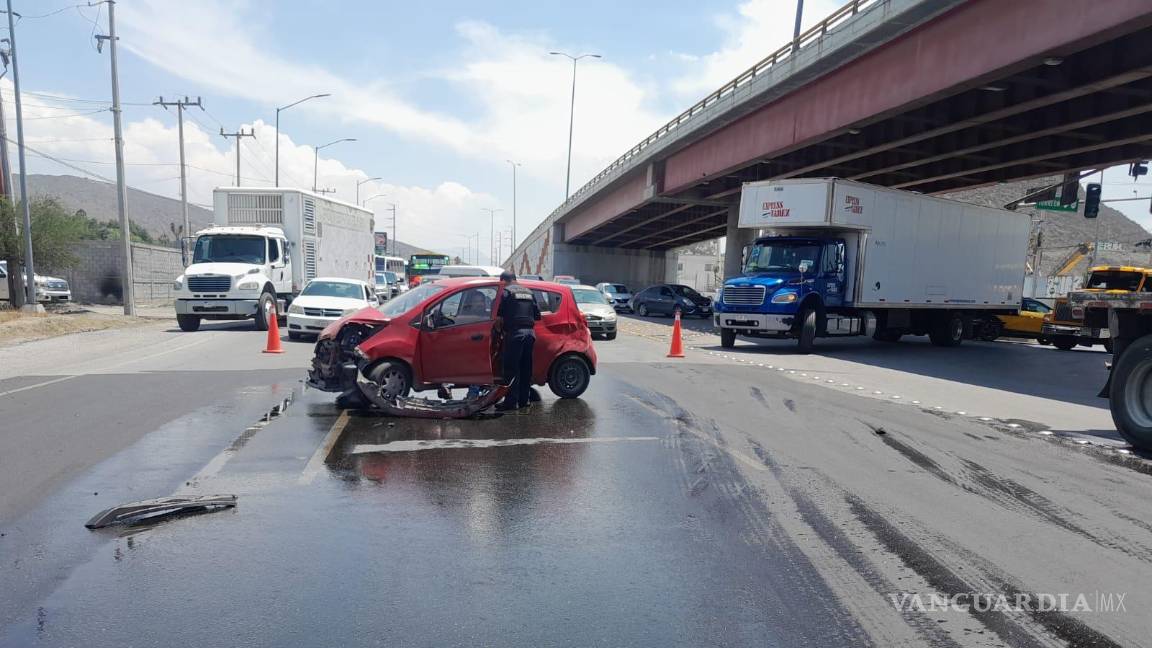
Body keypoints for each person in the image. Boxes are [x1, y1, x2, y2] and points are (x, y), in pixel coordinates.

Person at [495, 270, 540, 411]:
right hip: (530, 334)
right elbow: (537, 315)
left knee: (511, 369)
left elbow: (499, 318)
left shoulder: (507, 292)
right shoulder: (529, 292)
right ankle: (523, 400)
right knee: (526, 368)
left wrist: (499, 331)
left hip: (515, 334)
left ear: (504, 281)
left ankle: (510, 402)